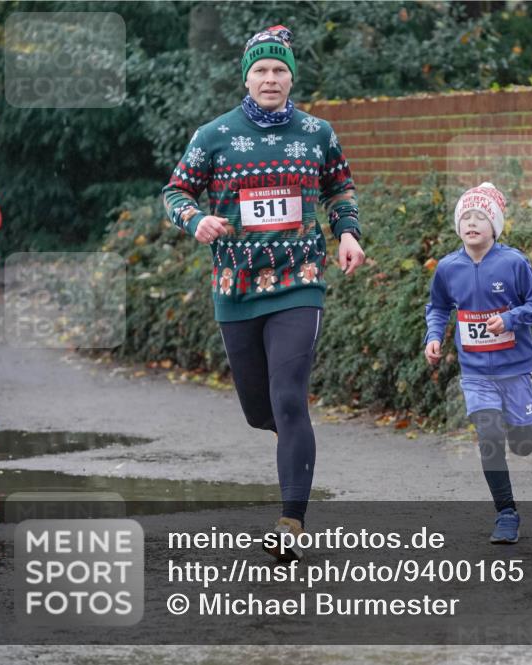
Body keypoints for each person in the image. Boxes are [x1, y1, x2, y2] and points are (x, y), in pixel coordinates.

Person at [161, 25, 365, 562]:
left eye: (279, 70)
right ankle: (291, 440)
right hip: (237, 288)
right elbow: (175, 191)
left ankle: (291, 522)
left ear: (291, 77)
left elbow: (339, 188)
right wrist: (196, 219)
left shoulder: (317, 132)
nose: (270, 78)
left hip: (299, 281)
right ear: (247, 78)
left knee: (290, 397)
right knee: (260, 410)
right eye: (261, 70)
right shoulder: (214, 135)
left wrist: (347, 233)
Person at [424, 183, 532, 544]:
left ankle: (524, 426)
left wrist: (509, 318)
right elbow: (438, 307)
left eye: (480, 217)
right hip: (476, 372)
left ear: (494, 226)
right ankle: (506, 513)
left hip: (516, 369)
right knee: (489, 436)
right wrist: (434, 336)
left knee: (523, 443)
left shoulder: (513, 263)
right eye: (466, 217)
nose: (472, 223)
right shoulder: (448, 268)